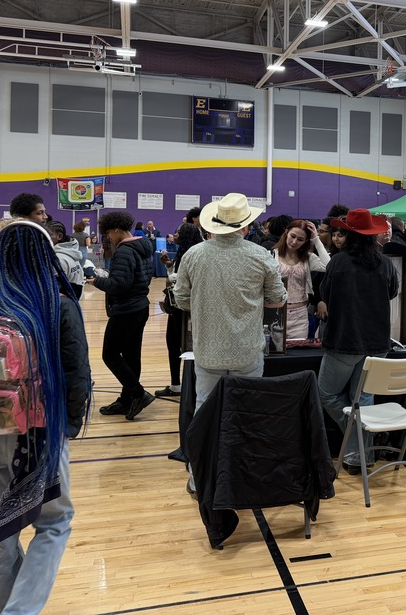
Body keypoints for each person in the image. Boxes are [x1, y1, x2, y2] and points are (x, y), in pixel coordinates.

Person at [0, 221, 90, 615]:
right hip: (40, 436)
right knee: (54, 523)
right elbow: (76, 372)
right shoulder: (58, 303)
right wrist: (69, 425)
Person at [174, 193, 288, 492]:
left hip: (207, 349)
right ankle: (240, 474)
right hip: (247, 350)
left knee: (204, 414)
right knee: (247, 414)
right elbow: (277, 299)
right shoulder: (261, 256)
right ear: (246, 226)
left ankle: (199, 478)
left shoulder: (194, 255)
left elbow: (182, 300)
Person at [318, 209, 399, 476]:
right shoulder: (385, 264)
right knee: (362, 400)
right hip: (377, 342)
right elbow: (391, 293)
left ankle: (356, 449)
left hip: (344, 339)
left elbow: (325, 294)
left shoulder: (338, 262)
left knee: (326, 394)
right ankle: (358, 454)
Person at [89, 211, 156, 420]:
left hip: (126, 309)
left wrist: (97, 281)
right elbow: (143, 277)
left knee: (110, 355)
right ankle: (127, 399)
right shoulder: (144, 245)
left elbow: (119, 284)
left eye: (108, 232)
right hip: (140, 307)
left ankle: (137, 393)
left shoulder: (125, 250)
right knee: (131, 355)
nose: (108, 237)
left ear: (116, 229)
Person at [156, 222, 204, 397]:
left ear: (185, 237)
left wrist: (171, 276)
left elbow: (184, 280)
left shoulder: (193, 255)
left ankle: (189, 385)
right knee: (173, 344)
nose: (174, 235)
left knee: (185, 347)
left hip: (185, 310)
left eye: (177, 233)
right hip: (177, 307)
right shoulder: (183, 253)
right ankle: (176, 384)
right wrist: (169, 265)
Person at [272, 219, 331, 341]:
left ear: (305, 242)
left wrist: (316, 239)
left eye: (300, 239)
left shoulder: (308, 258)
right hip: (275, 313)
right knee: (274, 355)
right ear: (286, 233)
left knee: (297, 357)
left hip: (300, 315)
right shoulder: (270, 255)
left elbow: (329, 266)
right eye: (292, 236)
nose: (294, 242)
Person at [46, 221, 85, 299]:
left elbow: (53, 290)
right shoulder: (71, 252)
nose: (45, 238)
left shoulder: (58, 259)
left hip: (64, 304)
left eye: (49, 235)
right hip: (72, 301)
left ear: (60, 236)